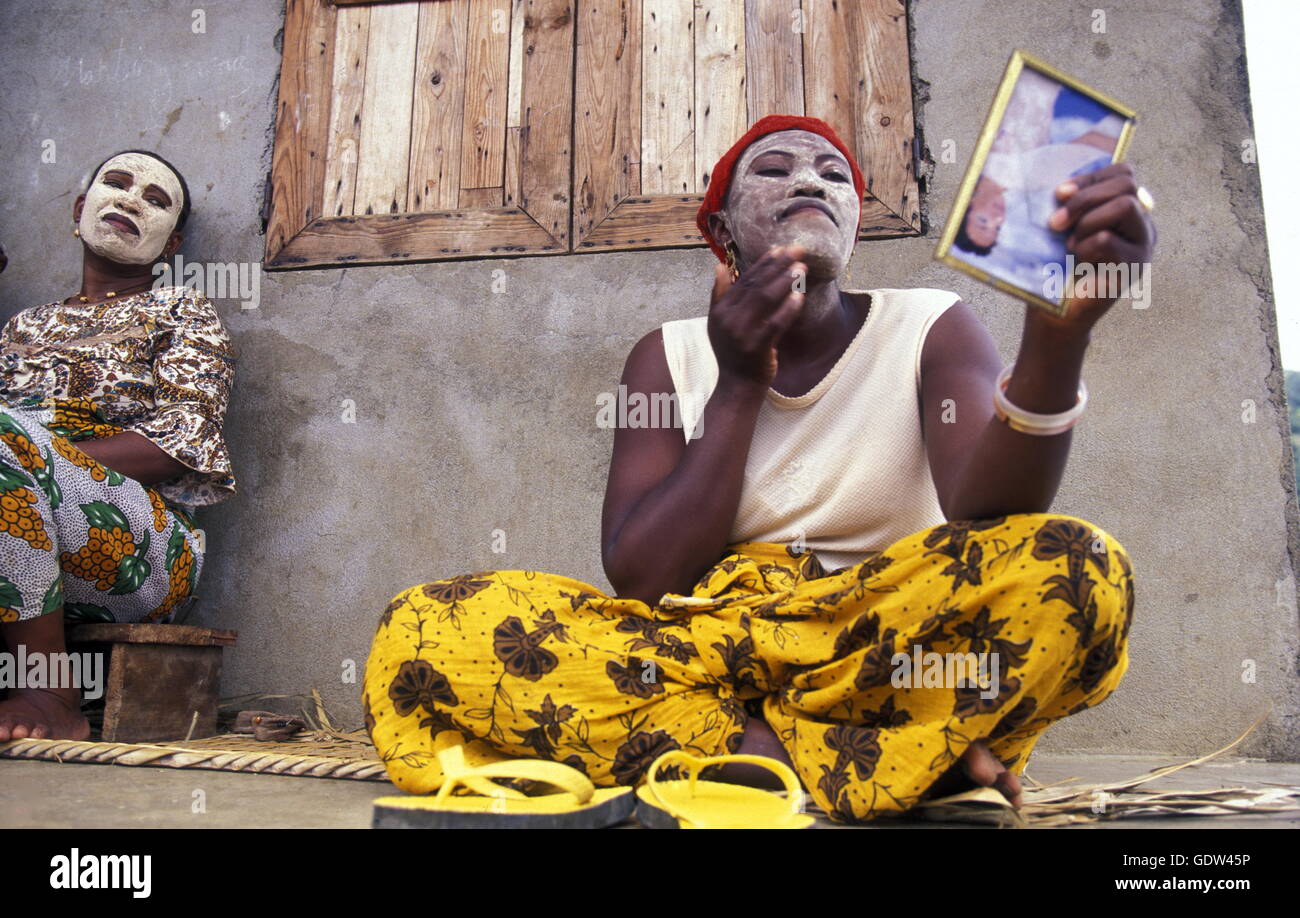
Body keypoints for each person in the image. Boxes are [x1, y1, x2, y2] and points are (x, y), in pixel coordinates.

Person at [364, 114, 1155, 822]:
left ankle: (766, 756)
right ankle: (874, 760)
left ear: (853, 222)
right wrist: (739, 381)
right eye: (773, 169)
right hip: (705, 645)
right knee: (424, 627)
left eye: (834, 174)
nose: (811, 178)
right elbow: (641, 576)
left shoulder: (930, 325)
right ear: (722, 230)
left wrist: (1057, 339)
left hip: (871, 649)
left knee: (1083, 571)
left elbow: (989, 518)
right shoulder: (666, 353)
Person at [0, 150, 236, 741]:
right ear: (80, 210)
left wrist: (34, 456)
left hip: (141, 549)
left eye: (154, 200)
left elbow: (184, 441)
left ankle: (49, 688)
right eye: (117, 184)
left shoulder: (182, 312)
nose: (131, 199)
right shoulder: (23, 326)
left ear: (170, 244)